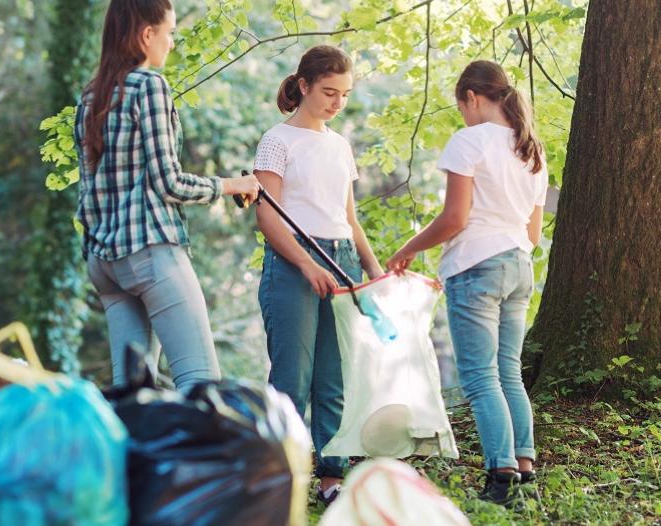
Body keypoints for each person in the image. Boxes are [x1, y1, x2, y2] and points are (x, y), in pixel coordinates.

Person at [74, 0, 260, 393]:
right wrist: (230, 186)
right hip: (151, 254)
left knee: (132, 394)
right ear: (147, 35)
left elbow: (87, 194)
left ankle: (129, 457)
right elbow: (168, 183)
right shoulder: (150, 87)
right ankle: (203, 457)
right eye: (169, 33)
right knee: (201, 383)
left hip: (104, 264)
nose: (171, 43)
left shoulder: (89, 98)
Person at [385, 59, 548, 505]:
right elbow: (533, 235)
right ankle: (526, 472)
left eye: (462, 107)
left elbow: (455, 218)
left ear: (472, 98)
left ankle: (501, 478)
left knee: (479, 377)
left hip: (477, 265)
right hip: (519, 265)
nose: (463, 115)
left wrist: (409, 248)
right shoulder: (531, 148)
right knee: (508, 373)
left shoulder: (469, 141)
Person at [253, 44, 383, 506]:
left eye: (345, 95)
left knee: (334, 377)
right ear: (304, 85)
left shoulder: (339, 145)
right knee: (292, 375)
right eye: (329, 92)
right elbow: (268, 217)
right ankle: (278, 479)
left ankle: (331, 479)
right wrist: (306, 264)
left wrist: (372, 268)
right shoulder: (277, 140)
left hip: (342, 260)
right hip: (293, 265)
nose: (337, 103)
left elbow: (348, 216)